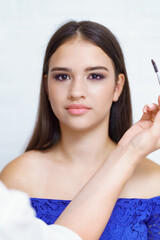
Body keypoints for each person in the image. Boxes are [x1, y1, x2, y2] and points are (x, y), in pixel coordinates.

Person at [0, 20, 160, 239]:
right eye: (62, 76)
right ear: (47, 85)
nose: (76, 91)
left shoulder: (155, 180)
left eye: (95, 76)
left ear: (117, 86)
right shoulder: (17, 176)